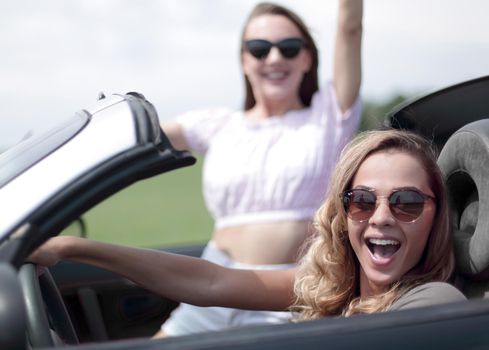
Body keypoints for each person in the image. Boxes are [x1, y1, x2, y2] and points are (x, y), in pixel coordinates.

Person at [29, 129, 466, 331]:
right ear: (343, 211)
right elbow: (212, 281)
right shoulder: (335, 287)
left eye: (407, 202)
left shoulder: (433, 305)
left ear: (436, 215)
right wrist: (73, 247)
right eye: (363, 200)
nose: (382, 216)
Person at [155, 0, 363, 335]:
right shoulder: (217, 124)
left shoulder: (329, 117)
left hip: (290, 298)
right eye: (259, 49)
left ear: (307, 59)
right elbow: (132, 137)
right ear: (244, 60)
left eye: (290, 48)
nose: (275, 58)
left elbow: (350, 28)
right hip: (208, 294)